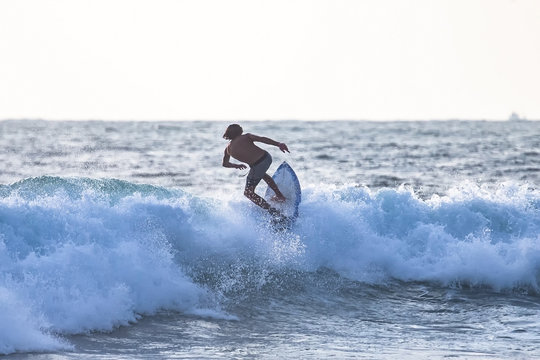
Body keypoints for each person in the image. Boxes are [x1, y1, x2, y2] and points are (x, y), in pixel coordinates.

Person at [222, 124, 289, 217]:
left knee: (248, 193)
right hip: (266, 158)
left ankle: (272, 212)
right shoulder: (246, 136)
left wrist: (236, 166)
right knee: (261, 174)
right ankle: (279, 196)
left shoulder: (228, 149)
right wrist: (278, 144)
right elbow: (262, 139)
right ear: (240, 131)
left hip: (258, 165)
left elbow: (225, 164)